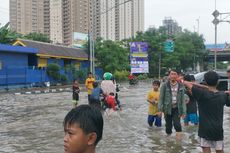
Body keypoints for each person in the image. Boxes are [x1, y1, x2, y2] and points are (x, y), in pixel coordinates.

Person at [183, 70, 230, 153]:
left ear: (205, 81)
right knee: (220, 150)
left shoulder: (201, 93)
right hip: (217, 129)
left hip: (204, 129)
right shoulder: (223, 95)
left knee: (206, 149)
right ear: (218, 81)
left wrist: (185, 81)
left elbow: (187, 83)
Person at [158, 69, 186, 139]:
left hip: (177, 108)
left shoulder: (181, 86)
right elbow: (161, 98)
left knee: (177, 125)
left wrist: (184, 112)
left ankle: (178, 143)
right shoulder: (165, 85)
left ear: (177, 76)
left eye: (174, 74)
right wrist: (160, 110)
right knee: (168, 127)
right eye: (171, 74)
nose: (173, 76)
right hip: (167, 109)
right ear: (169, 76)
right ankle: (169, 142)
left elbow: (183, 100)